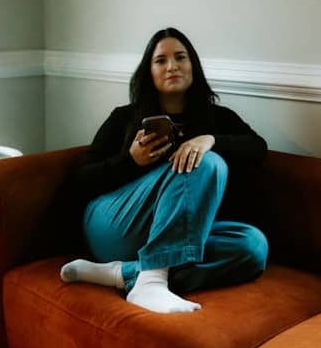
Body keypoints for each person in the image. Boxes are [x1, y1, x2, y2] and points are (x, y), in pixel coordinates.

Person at [60, 27, 269, 314]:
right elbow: (82, 181)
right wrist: (131, 161)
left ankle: (125, 274)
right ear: (149, 71)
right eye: (161, 60)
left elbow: (257, 148)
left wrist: (210, 140)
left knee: (252, 247)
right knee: (205, 162)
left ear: (192, 66)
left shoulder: (217, 118)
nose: (172, 66)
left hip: (170, 233)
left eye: (180, 57)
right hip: (114, 223)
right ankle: (151, 283)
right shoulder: (124, 117)